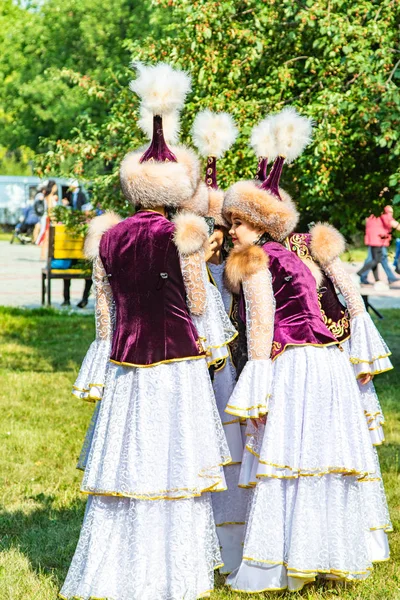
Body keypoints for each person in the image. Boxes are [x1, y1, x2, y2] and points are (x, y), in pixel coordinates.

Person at [60, 63, 230, 600]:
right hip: (177, 365)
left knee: (128, 471)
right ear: (176, 185)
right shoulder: (185, 234)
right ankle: (173, 574)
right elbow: (200, 301)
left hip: (127, 368)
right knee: (174, 466)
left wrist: (111, 351)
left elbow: (103, 313)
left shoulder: (107, 238)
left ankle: (118, 572)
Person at [221, 107, 392, 593]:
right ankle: (330, 555)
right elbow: (352, 300)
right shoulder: (303, 248)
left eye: (237, 220)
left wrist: (254, 386)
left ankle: (286, 561)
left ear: (257, 221)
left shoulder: (254, 259)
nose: (231, 230)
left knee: (291, 464)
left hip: (293, 364)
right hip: (332, 365)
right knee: (325, 461)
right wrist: (361, 357)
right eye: (231, 221)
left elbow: (262, 325)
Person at [192, 109, 250, 574]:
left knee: (230, 444)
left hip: (229, 367)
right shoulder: (191, 260)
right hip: (195, 365)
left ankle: (232, 539)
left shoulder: (235, 267)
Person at [357, 206, 400, 287]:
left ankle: (386, 278)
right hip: (378, 238)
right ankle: (359, 274)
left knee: (380, 258)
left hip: (373, 237)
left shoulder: (374, 209)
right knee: (375, 259)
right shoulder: (384, 208)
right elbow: (390, 221)